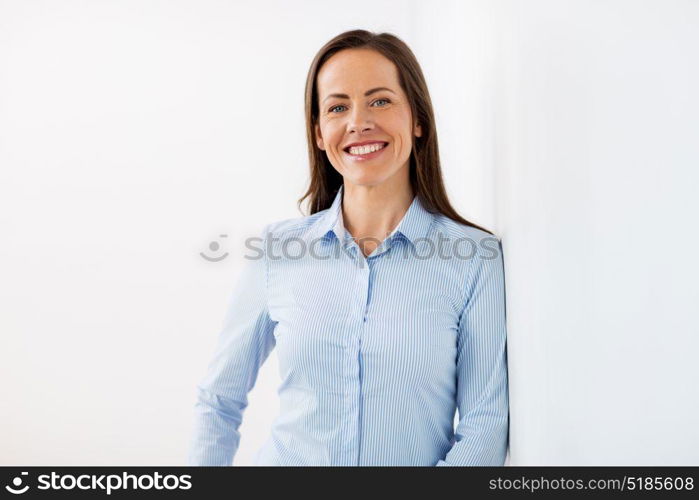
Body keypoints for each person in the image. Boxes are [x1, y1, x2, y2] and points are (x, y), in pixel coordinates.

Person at [187, 29, 509, 466]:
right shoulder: (277, 251)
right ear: (319, 133)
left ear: (417, 120)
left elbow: (485, 427)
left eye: (380, 100)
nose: (358, 121)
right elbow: (218, 400)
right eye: (338, 107)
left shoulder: (474, 260)